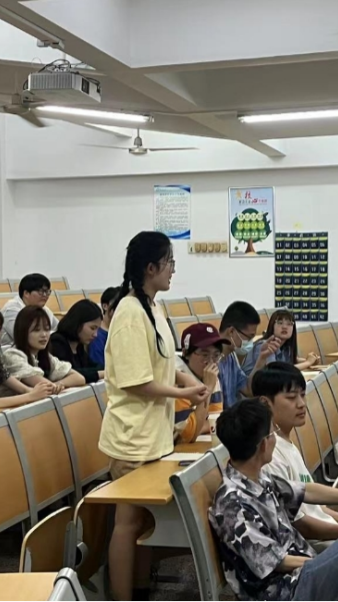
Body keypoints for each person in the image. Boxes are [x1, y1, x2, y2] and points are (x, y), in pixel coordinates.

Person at [98, 231, 208, 602]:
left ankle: (141, 588)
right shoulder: (130, 312)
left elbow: (164, 361)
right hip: (132, 437)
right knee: (128, 522)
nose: (173, 270)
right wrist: (184, 393)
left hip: (153, 434)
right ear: (150, 267)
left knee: (145, 520)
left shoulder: (153, 307)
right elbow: (137, 381)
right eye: (169, 262)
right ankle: (122, 596)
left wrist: (188, 381)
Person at [210, 399, 338, 602]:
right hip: (285, 592)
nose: (276, 438)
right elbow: (277, 563)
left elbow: (306, 491)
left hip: (302, 573)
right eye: (273, 433)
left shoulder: (257, 477)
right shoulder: (233, 505)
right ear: (263, 444)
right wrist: (328, 562)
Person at [254, 363, 338, 549]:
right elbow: (300, 526)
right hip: (316, 548)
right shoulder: (270, 456)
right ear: (265, 403)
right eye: (291, 397)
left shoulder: (286, 442)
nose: (301, 404)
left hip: (331, 535)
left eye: (302, 395)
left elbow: (315, 508)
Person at [0, 305, 85, 398]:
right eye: (36, 330)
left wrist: (59, 384)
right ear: (23, 332)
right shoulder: (12, 356)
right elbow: (46, 386)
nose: (44, 335)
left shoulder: (45, 356)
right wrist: (55, 386)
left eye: (47, 329)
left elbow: (79, 378)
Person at [174, 323, 225, 443]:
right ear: (186, 353)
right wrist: (208, 388)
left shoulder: (210, 376)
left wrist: (199, 426)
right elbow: (189, 435)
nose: (211, 362)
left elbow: (216, 421)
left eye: (216, 355)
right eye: (204, 354)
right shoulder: (177, 380)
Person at [217, 301, 269, 406]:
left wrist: (262, 358)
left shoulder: (231, 356)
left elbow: (248, 390)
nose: (250, 342)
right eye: (249, 337)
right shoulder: (210, 360)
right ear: (231, 331)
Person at [249, 309, 319, 376]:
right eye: (280, 323)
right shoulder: (265, 345)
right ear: (272, 326)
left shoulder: (285, 347)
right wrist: (308, 362)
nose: (284, 327)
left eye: (289, 324)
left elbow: (288, 362)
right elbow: (277, 372)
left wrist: (311, 360)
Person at [49, 299, 103, 384]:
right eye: (92, 328)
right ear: (78, 323)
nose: (95, 335)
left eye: (97, 329)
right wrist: (100, 374)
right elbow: (71, 373)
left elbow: (94, 366)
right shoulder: (57, 342)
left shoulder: (79, 345)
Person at [1, 273, 58, 346]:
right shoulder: (11, 310)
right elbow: (23, 336)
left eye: (47, 292)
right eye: (41, 291)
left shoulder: (44, 309)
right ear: (26, 293)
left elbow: (59, 329)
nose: (45, 295)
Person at [87, 286, 120, 369]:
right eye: (118, 305)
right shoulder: (97, 335)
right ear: (105, 306)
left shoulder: (123, 330)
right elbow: (100, 367)